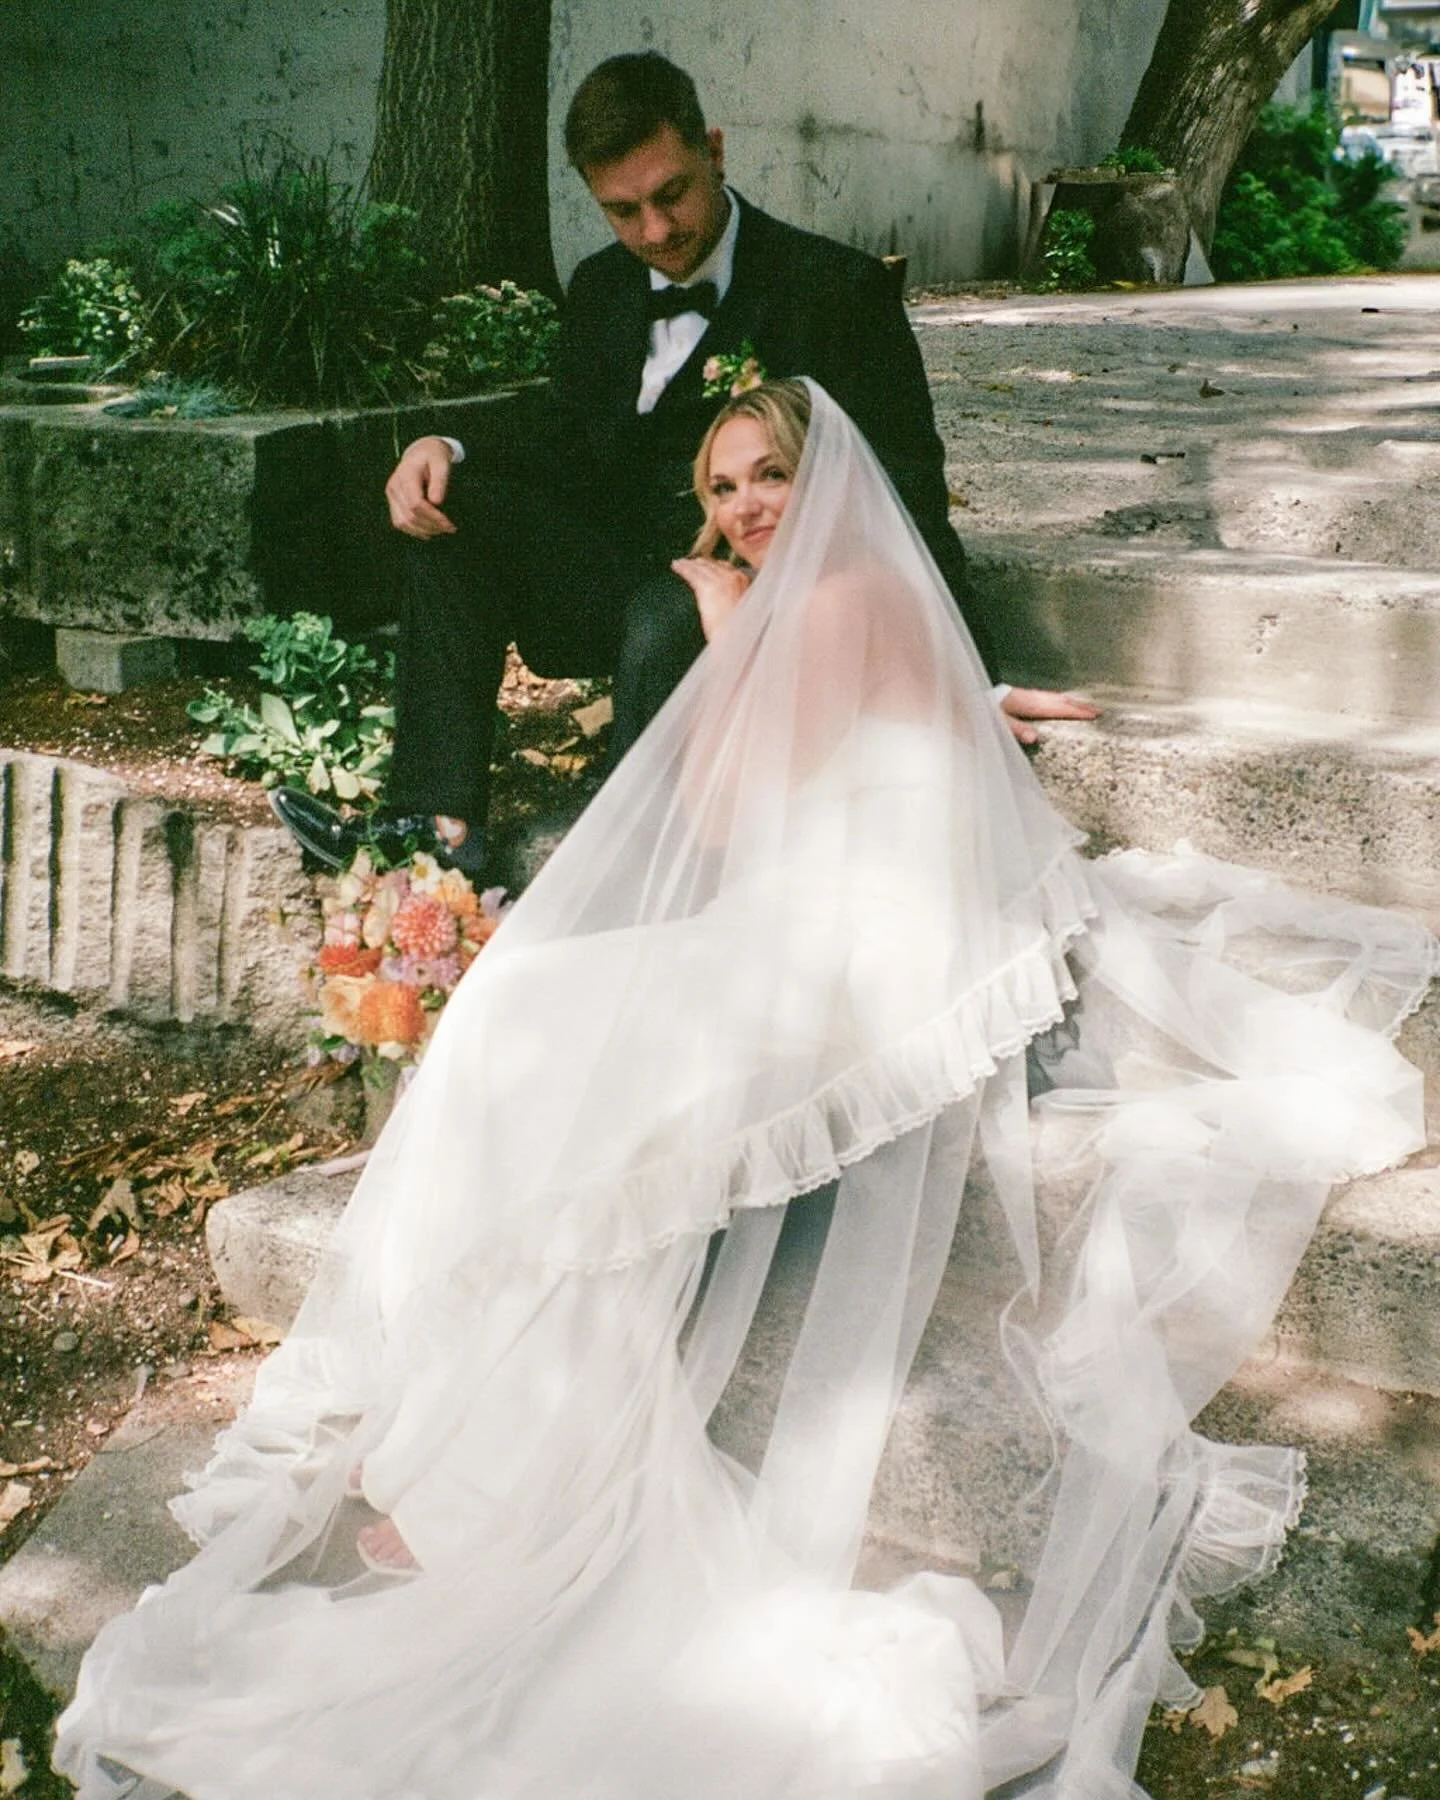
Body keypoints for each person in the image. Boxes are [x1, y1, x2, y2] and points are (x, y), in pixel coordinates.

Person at [56, 382, 1435, 1800]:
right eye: (720, 491)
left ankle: (495, 1473)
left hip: (856, 955)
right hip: (823, 925)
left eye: (768, 476)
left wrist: (724, 640)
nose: (745, 510)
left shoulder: (821, 606)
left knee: (556, 1041)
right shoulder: (837, 604)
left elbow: (724, 816)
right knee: (537, 1019)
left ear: (819, 476)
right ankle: (472, 1439)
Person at [269, 50, 1096, 877]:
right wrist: (445, 447)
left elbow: (908, 495)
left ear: (715, 151)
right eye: (622, 211)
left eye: (671, 195)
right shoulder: (600, 288)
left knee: (667, 614)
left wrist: (965, 680)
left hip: (751, 600)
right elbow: (565, 435)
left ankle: (633, 872)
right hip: (613, 577)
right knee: (452, 515)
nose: (655, 233)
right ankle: (434, 828)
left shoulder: (835, 290)